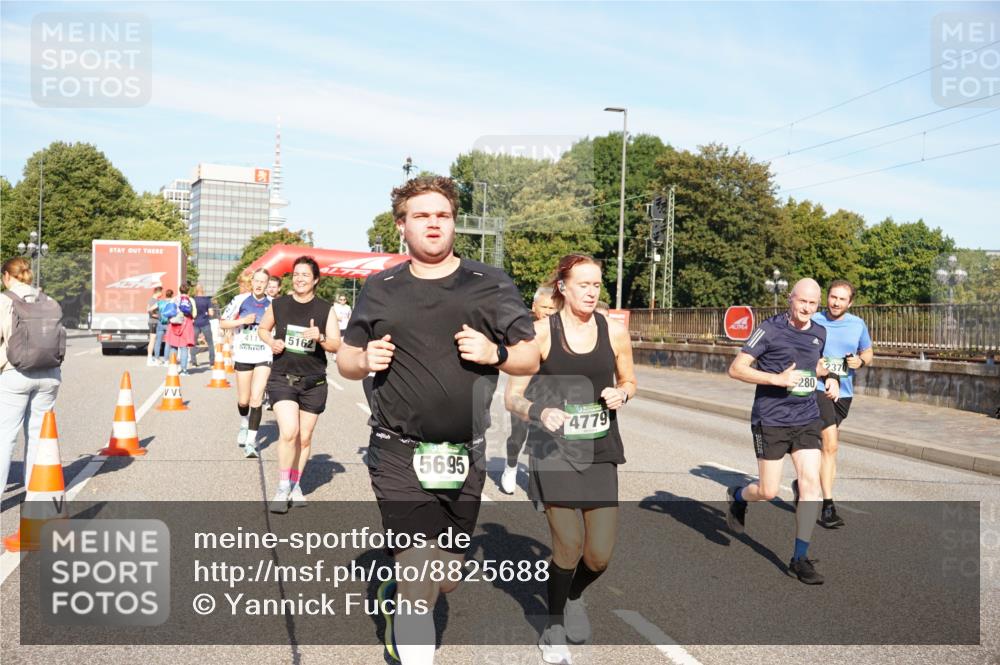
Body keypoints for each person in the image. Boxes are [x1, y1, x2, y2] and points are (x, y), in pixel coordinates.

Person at [336, 176, 538, 665]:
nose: (433, 223)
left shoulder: (490, 283)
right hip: (396, 450)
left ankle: (399, 592)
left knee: (445, 575)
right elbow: (345, 358)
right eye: (421, 216)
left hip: (463, 453)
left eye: (442, 215)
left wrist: (496, 352)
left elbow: (529, 357)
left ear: (454, 223)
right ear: (401, 226)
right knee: (419, 572)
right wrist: (365, 362)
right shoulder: (380, 288)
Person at [506, 255, 636, 665]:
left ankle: (575, 593)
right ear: (562, 287)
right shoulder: (540, 334)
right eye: (584, 284)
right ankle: (554, 624)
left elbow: (629, 379)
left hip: (600, 448)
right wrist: (540, 412)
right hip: (553, 450)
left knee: (598, 554)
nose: (592, 292)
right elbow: (512, 396)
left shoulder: (614, 332)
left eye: (597, 285)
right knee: (568, 546)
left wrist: (624, 393)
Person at [725, 278, 839, 585]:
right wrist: (777, 380)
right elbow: (736, 368)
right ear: (790, 299)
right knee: (768, 491)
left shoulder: (819, 332)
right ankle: (738, 496)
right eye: (802, 302)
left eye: (813, 304)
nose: (807, 309)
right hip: (771, 419)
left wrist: (830, 378)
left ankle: (799, 558)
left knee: (810, 484)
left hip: (806, 417)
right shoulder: (770, 329)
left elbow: (816, 365)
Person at [258, 257, 340, 509]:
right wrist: (271, 342)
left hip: (314, 381)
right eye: (296, 274)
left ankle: (295, 484)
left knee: (304, 438)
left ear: (315, 280)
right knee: (289, 431)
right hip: (283, 377)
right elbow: (263, 328)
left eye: (305, 275)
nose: (299, 279)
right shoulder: (279, 304)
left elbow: (336, 345)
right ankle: (283, 487)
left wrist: (321, 337)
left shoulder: (326, 309)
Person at [811, 279, 873, 529]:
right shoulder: (814, 320)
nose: (835, 302)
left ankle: (804, 483)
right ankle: (828, 506)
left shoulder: (857, 324)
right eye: (832, 297)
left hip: (844, 394)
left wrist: (861, 361)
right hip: (818, 388)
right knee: (831, 445)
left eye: (841, 299)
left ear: (850, 302)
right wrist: (825, 374)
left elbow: (868, 352)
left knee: (823, 447)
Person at [0, 258, 62, 500]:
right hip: (49, 374)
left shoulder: (5, 300)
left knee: (5, 435)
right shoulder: (47, 300)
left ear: (7, 276)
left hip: (15, 373)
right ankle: (36, 494)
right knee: (38, 435)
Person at [500, 285, 557, 495]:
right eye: (544, 307)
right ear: (534, 307)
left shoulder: (560, 331)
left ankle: (540, 484)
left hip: (549, 391)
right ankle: (511, 467)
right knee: (518, 435)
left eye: (553, 307)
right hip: (523, 390)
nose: (549, 312)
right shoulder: (524, 331)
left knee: (544, 437)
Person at [220, 270, 273, 458]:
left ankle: (251, 443)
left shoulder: (273, 304)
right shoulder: (240, 299)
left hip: (264, 355)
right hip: (243, 354)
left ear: (268, 284)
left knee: (256, 399)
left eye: (263, 282)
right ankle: (244, 423)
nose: (259, 285)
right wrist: (243, 320)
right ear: (252, 282)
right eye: (256, 281)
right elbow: (223, 322)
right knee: (243, 400)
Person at [164, 283, 197, 375]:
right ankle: (184, 370)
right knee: (184, 348)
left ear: (179, 290)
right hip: (186, 324)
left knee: (173, 346)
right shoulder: (191, 300)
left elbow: (169, 311)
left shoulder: (174, 299)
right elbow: (194, 314)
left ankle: (173, 368)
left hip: (174, 324)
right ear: (188, 291)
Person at [191, 285, 215, 369]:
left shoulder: (193, 300)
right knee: (210, 343)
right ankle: (212, 363)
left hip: (195, 324)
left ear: (195, 290)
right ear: (203, 290)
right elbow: (211, 313)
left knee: (193, 343)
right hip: (205, 323)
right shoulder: (207, 300)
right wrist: (207, 314)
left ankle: (194, 363)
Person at [146, 286, 164, 366]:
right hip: (154, 322)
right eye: (161, 292)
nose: (162, 294)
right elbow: (150, 312)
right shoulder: (153, 300)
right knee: (152, 340)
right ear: (159, 292)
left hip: (153, 322)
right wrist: (160, 316)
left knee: (153, 340)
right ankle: (149, 359)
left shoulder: (152, 299)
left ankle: (151, 358)